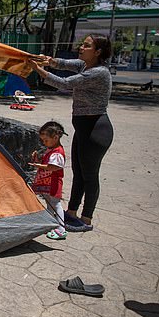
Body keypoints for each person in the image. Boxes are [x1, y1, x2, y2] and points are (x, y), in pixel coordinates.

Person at [28, 34, 113, 232]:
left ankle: (86, 218)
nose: (81, 48)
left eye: (87, 46)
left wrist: (38, 70)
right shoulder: (85, 65)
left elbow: (65, 84)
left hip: (96, 130)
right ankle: (72, 213)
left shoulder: (99, 72)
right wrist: (47, 60)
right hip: (84, 128)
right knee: (79, 173)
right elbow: (65, 64)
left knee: (90, 175)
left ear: (98, 52)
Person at [30, 121, 67, 240]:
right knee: (50, 204)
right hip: (48, 182)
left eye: (46, 140)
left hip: (54, 183)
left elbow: (54, 167)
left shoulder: (57, 152)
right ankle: (50, 224)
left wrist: (38, 166)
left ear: (55, 137)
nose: (44, 143)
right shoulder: (51, 149)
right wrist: (38, 160)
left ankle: (61, 228)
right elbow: (47, 162)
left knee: (56, 204)